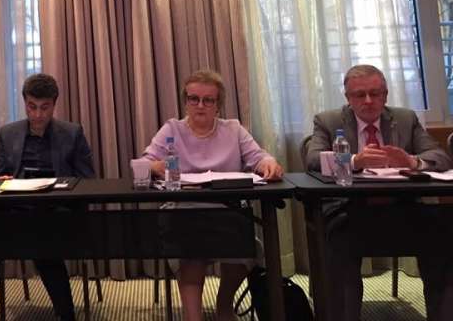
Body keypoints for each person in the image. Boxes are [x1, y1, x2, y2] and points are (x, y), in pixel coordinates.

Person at [305, 64, 453, 321]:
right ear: (348, 98)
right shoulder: (328, 121)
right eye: (359, 95)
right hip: (349, 211)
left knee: (446, 231)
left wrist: (413, 161)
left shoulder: (405, 119)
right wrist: (353, 161)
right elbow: (312, 159)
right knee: (338, 244)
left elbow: (440, 157)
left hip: (405, 209)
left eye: (375, 93)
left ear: (385, 95)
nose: (368, 101)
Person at [141, 69, 283, 321]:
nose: (200, 105)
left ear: (218, 105)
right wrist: (153, 166)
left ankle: (224, 304)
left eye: (208, 100)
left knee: (245, 250)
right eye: (193, 99)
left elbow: (259, 157)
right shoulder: (172, 129)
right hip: (184, 210)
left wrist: (268, 163)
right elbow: (143, 162)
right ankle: (192, 316)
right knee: (191, 250)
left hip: (228, 210)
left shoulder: (234, 129)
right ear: (185, 101)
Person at [0, 73, 95, 321]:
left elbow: (87, 180)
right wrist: (2, 180)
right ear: (25, 102)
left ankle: (66, 315)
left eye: (44, 107)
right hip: (14, 211)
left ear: (54, 104)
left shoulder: (72, 133)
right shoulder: (8, 133)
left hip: (56, 212)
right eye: (32, 107)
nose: (37, 114)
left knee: (42, 241)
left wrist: (62, 187)